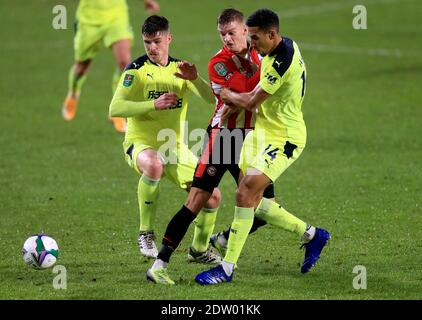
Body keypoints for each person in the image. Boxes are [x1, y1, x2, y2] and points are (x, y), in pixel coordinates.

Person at [195, 8, 331, 285]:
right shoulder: (283, 44)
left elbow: (250, 102)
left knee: (245, 193)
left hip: (285, 137)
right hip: (261, 132)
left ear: (271, 34)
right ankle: (313, 235)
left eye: (255, 38)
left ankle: (227, 268)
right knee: (254, 198)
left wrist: (226, 94)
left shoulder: (281, 62)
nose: (252, 44)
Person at [146, 8, 277, 285]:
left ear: (244, 31)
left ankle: (222, 239)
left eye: (231, 33)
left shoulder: (262, 55)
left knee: (265, 207)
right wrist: (253, 72)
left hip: (251, 140)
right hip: (224, 138)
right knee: (196, 201)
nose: (227, 39)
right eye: (222, 34)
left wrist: (257, 70)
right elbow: (237, 97)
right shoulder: (218, 63)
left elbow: (267, 89)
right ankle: (159, 264)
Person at [109, 15, 222, 270]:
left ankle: (200, 250)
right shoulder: (135, 71)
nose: (152, 47)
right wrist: (153, 104)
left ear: (169, 39)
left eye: (157, 41)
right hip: (140, 144)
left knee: (212, 197)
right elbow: (115, 107)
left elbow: (211, 99)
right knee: (154, 165)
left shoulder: (181, 70)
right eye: (147, 42)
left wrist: (194, 78)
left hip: (174, 148)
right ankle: (145, 233)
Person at [62, 0, 160, 133]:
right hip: (88, 19)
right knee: (81, 67)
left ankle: (117, 110)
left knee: (124, 62)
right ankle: (73, 92)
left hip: (116, 15)